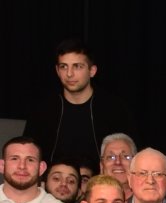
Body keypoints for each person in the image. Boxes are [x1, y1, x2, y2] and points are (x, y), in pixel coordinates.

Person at [25, 39, 132, 171]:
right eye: (64, 66)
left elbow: (131, 155)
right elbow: (28, 154)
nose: (69, 74)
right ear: (57, 71)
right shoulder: (44, 110)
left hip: (102, 186)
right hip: (52, 188)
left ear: (92, 71)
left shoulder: (113, 109)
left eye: (77, 66)